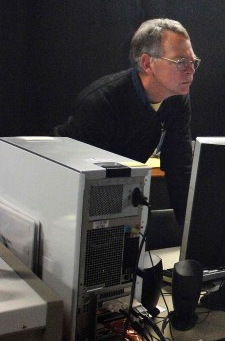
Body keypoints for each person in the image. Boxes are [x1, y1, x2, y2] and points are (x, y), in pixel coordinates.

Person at [55, 18, 198, 225]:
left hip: (116, 193)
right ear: (147, 63)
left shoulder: (177, 99)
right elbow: (80, 181)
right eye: (181, 62)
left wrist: (193, 236)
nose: (191, 71)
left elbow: (180, 168)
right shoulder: (101, 102)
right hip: (67, 194)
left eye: (193, 62)